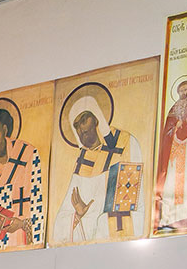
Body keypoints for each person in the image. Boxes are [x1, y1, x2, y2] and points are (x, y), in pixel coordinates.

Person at [53, 102, 143, 243]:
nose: (83, 134)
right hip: (92, 234)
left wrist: (95, 213)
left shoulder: (125, 143)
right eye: (78, 129)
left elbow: (133, 197)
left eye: (84, 122)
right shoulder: (82, 160)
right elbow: (64, 216)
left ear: (96, 120)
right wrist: (78, 215)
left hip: (117, 228)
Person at [0, 108, 44, 251]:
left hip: (22, 241)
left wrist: (22, 224)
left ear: (5, 130)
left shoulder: (28, 154)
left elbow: (39, 205)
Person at [155, 80, 187, 227]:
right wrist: (176, 127)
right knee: (170, 182)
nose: (184, 93)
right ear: (177, 91)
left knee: (184, 182)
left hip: (186, 151)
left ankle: (182, 215)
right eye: (181, 90)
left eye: (186, 90)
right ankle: (168, 216)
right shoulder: (173, 109)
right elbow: (166, 132)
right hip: (173, 152)